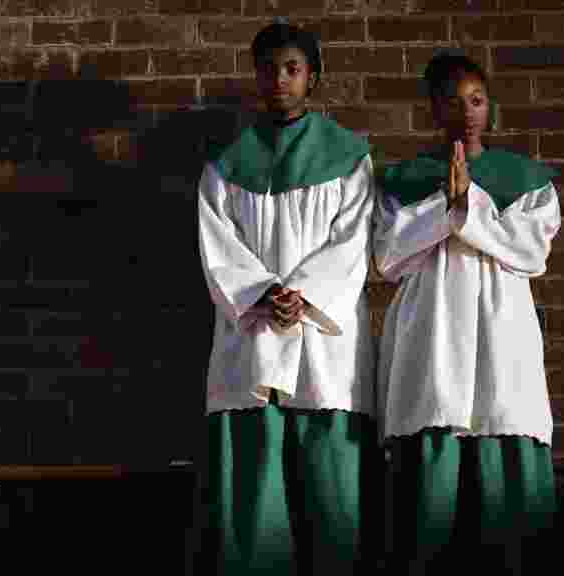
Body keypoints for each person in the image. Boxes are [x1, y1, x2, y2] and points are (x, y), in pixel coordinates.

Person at [190, 20, 380, 575]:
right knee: (255, 491)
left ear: (313, 77)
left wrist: (305, 295)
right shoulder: (226, 164)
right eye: (270, 68)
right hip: (251, 336)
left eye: (293, 68)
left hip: (324, 344)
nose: (280, 79)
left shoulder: (349, 157)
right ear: (256, 77)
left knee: (332, 494)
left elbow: (354, 240)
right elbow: (216, 243)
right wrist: (263, 293)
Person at [373, 50, 560, 575]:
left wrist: (464, 205)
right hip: (432, 319)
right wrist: (448, 204)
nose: (468, 111)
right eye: (454, 102)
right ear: (434, 109)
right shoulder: (404, 178)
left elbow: (530, 251)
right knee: (434, 428)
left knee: (504, 424)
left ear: (489, 106)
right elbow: (389, 256)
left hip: (502, 324)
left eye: (477, 100)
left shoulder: (526, 178)